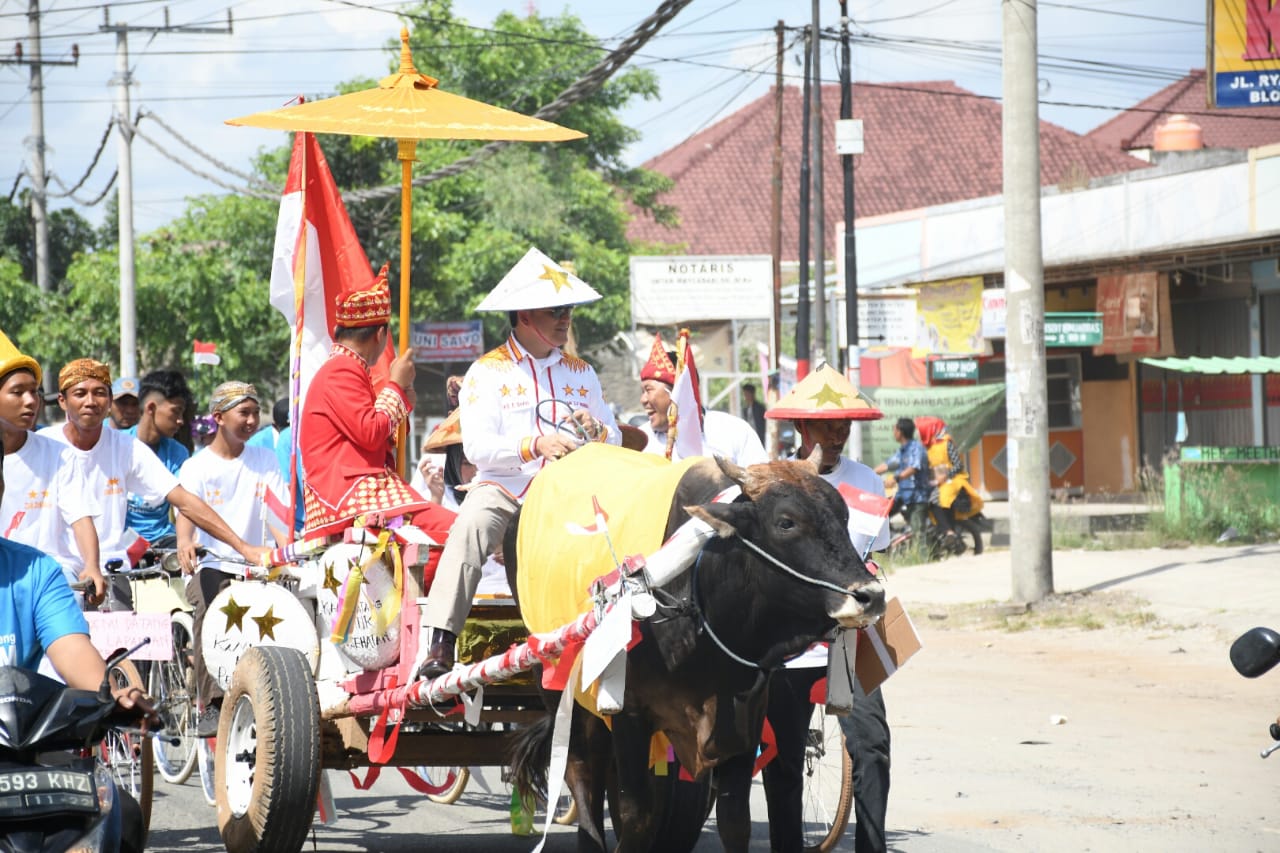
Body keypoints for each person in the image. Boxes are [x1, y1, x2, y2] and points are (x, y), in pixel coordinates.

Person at [415, 248, 621, 680]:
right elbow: (477, 449)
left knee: (619, 532)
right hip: (507, 491)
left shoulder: (581, 373)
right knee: (471, 525)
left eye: (567, 310)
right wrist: (535, 445)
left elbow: (615, 438)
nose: (565, 319)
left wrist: (597, 430)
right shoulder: (487, 372)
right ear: (525, 315)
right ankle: (441, 641)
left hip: (569, 494)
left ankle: (619, 636)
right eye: (555, 311)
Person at [0, 417, 156, 853]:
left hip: (21, 768)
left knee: (121, 816)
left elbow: (75, 656)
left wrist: (112, 696)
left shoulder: (35, 572)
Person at [762, 363, 892, 853]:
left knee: (872, 745)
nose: (838, 435)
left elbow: (871, 558)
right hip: (789, 642)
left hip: (847, 636)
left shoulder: (868, 482)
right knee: (782, 755)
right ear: (802, 428)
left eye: (845, 426)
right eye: (827, 425)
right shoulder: (774, 480)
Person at [41, 359, 271, 604]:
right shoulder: (43, 445)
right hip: (56, 569)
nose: (90, 401)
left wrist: (244, 548)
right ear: (63, 401)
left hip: (112, 568)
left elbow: (184, 501)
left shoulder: (127, 448)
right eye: (80, 393)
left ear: (108, 401)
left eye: (99, 393)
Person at [297, 264, 456, 550]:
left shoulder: (343, 368)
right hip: (352, 497)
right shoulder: (341, 370)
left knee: (452, 529)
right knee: (457, 530)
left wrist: (401, 394)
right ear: (381, 334)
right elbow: (370, 432)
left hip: (357, 493)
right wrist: (396, 386)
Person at [176, 382, 289, 736]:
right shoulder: (196, 466)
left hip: (257, 564)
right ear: (219, 418)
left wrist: (289, 552)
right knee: (211, 610)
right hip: (212, 564)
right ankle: (209, 703)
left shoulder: (265, 459)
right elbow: (185, 513)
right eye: (245, 413)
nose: (253, 420)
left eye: (256, 413)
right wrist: (184, 542)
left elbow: (279, 513)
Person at [0, 329, 105, 604]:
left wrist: (92, 566)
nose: (30, 401)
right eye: (17, 392)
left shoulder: (58, 455)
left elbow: (81, 517)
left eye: (33, 392)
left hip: (52, 573)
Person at [636, 333, 767, 464]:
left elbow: (762, 481)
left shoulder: (734, 431)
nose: (643, 400)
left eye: (648, 390)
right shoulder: (638, 443)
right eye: (642, 392)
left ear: (679, 391)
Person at [123, 369, 193, 545]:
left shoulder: (179, 453)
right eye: (176, 412)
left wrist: (185, 540)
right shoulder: (119, 446)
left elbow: (184, 506)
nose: (180, 421)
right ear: (151, 408)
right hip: (121, 541)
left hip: (163, 541)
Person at [915, 415, 983, 548]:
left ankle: (949, 532)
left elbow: (958, 466)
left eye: (920, 430)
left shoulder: (947, 443)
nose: (918, 433)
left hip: (953, 480)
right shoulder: (926, 447)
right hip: (936, 481)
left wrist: (944, 477)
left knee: (937, 497)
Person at [875, 416, 930, 536]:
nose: (893, 432)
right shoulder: (902, 451)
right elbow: (887, 465)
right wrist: (870, 473)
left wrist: (895, 479)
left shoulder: (916, 448)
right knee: (880, 515)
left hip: (917, 496)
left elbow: (914, 468)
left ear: (900, 431)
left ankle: (922, 553)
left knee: (918, 532)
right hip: (903, 495)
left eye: (894, 429)